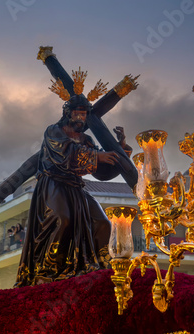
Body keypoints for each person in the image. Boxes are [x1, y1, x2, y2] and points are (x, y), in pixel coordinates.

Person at [15, 94, 132, 287]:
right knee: (62, 220)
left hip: (76, 188)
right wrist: (98, 156)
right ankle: (47, 271)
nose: (81, 119)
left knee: (102, 222)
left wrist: (120, 147)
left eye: (84, 115)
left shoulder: (86, 140)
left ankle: (101, 267)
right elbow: (65, 153)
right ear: (67, 114)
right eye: (77, 114)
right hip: (53, 183)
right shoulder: (54, 131)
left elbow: (101, 172)